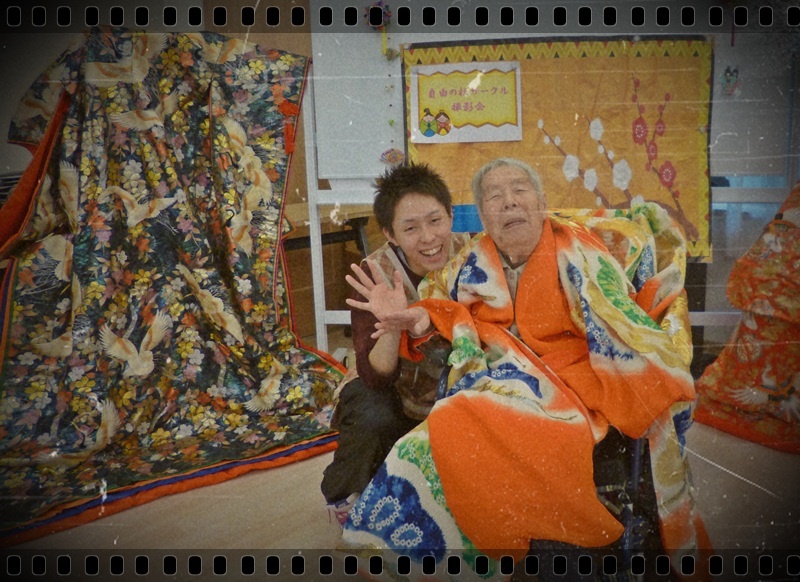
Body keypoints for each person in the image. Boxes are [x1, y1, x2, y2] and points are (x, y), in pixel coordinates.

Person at [340, 158, 709, 575]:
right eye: (495, 197)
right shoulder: (462, 260)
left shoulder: (580, 249)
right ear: (483, 218)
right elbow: (438, 304)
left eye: (519, 190)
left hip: (572, 379)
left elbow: (618, 318)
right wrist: (420, 319)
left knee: (533, 436)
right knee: (427, 436)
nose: (509, 203)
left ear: (542, 201)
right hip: (486, 378)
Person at [320, 162, 471, 522]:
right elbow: (376, 376)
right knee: (372, 411)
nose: (428, 238)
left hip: (455, 383)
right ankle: (344, 493)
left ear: (451, 215)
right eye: (411, 228)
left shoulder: (474, 255)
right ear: (390, 233)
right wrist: (391, 325)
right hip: (393, 387)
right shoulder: (374, 275)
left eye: (435, 221)